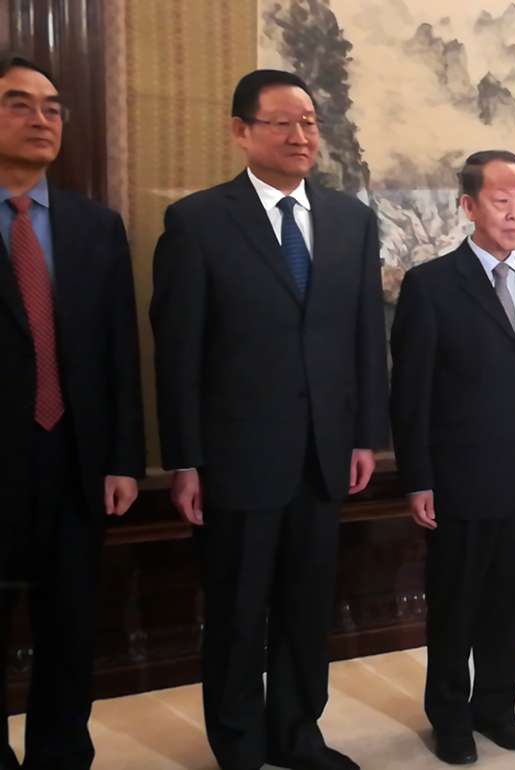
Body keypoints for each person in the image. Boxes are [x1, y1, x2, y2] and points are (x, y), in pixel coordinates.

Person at [150, 69, 388, 770]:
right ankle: (239, 744)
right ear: (241, 131)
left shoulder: (350, 219)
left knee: (307, 607)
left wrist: (365, 435)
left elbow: (363, 337)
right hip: (236, 457)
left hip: (324, 454)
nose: (300, 136)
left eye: (310, 122)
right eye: (282, 122)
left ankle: (298, 733)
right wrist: (185, 459)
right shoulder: (197, 222)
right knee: (236, 610)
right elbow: (178, 352)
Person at [389, 150, 515, 764]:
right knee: (457, 603)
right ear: (468, 206)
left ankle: (497, 707)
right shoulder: (432, 284)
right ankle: (449, 717)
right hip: (460, 475)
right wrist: (417, 477)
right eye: (502, 201)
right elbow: (410, 393)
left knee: (510, 601)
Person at [0, 52, 144, 770]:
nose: (41, 119)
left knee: (70, 628)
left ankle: (61, 757)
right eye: (20, 103)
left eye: (53, 107)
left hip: (76, 461)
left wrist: (124, 458)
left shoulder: (95, 226)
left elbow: (121, 349)